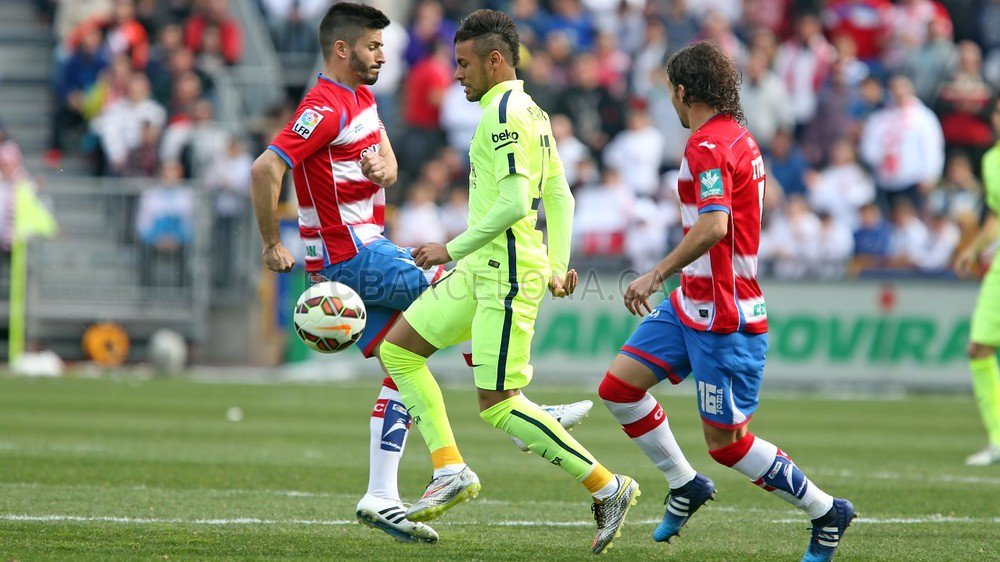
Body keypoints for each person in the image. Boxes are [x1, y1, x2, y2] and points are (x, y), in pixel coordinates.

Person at [248, 3, 590, 544]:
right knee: (466, 288)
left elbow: (388, 163)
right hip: (351, 254)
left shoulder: (362, 99)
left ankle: (381, 494)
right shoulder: (322, 106)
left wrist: (384, 168)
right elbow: (266, 167)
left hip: (369, 248)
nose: (383, 56)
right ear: (342, 49)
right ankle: (516, 412)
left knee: (401, 361)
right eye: (373, 47)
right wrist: (271, 243)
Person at [377, 10, 639, 555]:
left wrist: (449, 247)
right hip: (484, 270)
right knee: (398, 351)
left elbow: (519, 202)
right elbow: (560, 195)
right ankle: (450, 469)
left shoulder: (502, 114)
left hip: (504, 274)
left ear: (495, 60)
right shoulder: (532, 111)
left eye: (464, 64)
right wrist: (559, 263)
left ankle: (607, 486)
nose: (457, 74)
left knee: (497, 403)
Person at [595, 42, 855, 562]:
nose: (670, 100)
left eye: (670, 91)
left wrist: (655, 273)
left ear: (683, 91)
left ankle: (826, 511)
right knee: (619, 389)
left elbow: (715, 224)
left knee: (728, 444)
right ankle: (684, 483)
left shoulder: (707, 145)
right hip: (691, 302)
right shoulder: (739, 136)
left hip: (724, 313)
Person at [954, 98, 1000, 466]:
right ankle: (998, 439)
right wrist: (973, 250)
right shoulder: (990, 160)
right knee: (979, 347)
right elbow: (995, 219)